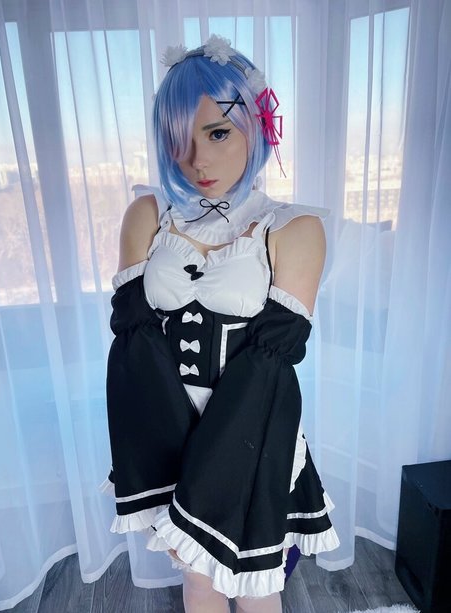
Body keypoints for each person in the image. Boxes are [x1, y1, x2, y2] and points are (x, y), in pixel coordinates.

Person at [102, 35, 339, 613]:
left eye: (217, 133)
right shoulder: (147, 214)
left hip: (251, 429)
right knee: (198, 581)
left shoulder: (293, 227)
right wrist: (158, 469)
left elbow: (269, 366)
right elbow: (132, 352)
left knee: (256, 586)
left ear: (255, 127)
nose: (197, 160)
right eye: (178, 140)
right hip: (164, 428)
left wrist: (206, 478)